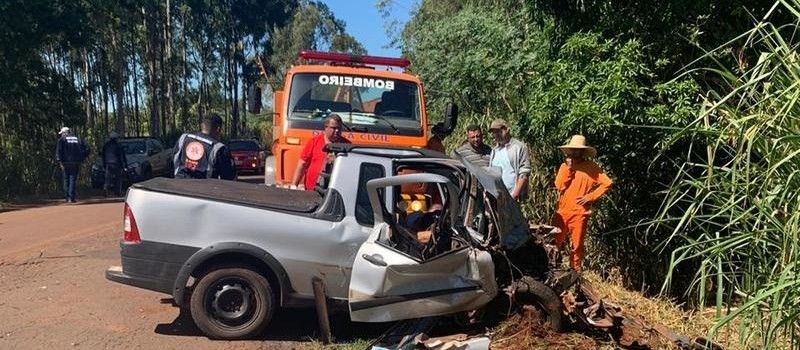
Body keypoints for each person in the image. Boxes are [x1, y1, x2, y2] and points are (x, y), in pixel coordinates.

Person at [552, 135, 613, 272]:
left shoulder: (591, 167)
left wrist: (590, 197)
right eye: (573, 149)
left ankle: (575, 273)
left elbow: (607, 183)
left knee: (577, 245)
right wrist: (569, 168)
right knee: (554, 242)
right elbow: (559, 186)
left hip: (580, 213)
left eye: (577, 150)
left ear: (583, 152)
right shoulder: (564, 167)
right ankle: (552, 269)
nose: (574, 152)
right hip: (561, 212)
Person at [291, 114, 351, 190]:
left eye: (339, 128)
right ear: (326, 128)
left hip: (336, 191)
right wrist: (294, 185)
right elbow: (302, 164)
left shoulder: (347, 145)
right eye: (334, 128)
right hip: (312, 190)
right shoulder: (314, 142)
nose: (337, 131)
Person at [173, 114, 236, 180]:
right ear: (218, 129)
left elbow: (173, 159)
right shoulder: (218, 148)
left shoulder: (183, 138)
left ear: (202, 126)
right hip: (205, 188)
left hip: (179, 186)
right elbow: (229, 176)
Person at [488, 118, 531, 201]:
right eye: (494, 132)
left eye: (499, 131)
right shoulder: (494, 151)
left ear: (507, 130)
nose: (496, 134)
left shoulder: (519, 147)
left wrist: (515, 195)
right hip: (497, 198)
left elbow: (524, 173)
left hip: (513, 198)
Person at [55, 127, 89, 203]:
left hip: (65, 163)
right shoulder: (78, 139)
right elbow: (87, 148)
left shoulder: (62, 140)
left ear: (65, 133)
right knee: (72, 179)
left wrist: (60, 162)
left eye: (62, 133)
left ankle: (67, 197)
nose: (61, 135)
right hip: (75, 163)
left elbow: (58, 152)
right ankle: (71, 197)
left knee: (66, 180)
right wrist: (83, 157)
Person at [101, 132, 127, 196]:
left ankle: (106, 189)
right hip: (116, 163)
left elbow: (103, 156)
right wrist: (124, 165)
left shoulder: (106, 145)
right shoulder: (118, 145)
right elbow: (121, 156)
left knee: (108, 178)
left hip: (108, 164)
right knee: (118, 178)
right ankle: (117, 192)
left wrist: (104, 164)